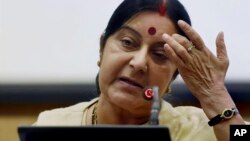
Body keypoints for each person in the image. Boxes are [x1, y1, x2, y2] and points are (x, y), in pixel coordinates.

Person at [34, 0, 248, 140]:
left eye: (160, 54)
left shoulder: (205, 129)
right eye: (128, 42)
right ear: (102, 50)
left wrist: (216, 96)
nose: (138, 63)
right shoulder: (51, 126)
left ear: (174, 75)